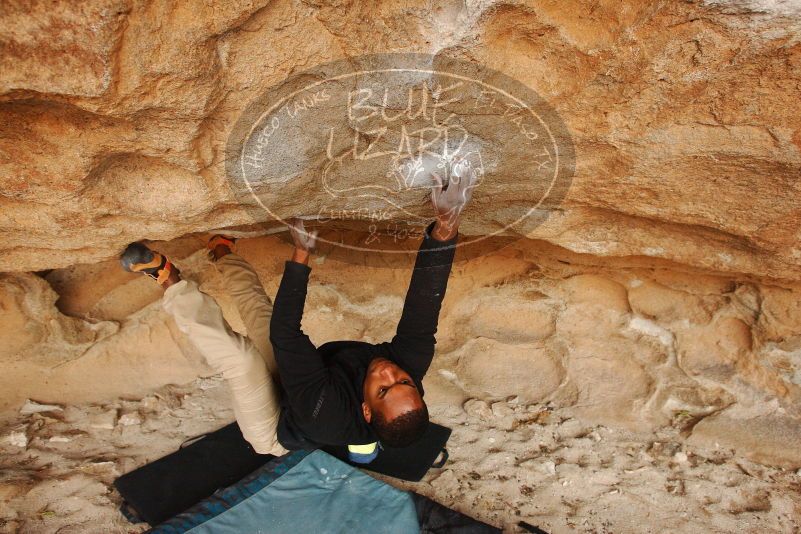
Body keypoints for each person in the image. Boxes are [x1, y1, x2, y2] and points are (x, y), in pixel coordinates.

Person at [119, 159, 477, 460]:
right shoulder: (407, 362)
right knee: (261, 313)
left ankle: (168, 279)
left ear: (366, 410)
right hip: (308, 378)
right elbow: (424, 301)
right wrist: (447, 227)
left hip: (276, 423)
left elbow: (287, 334)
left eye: (384, 389)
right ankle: (221, 251)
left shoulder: (329, 414)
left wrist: (301, 255)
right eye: (403, 381)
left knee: (240, 360)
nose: (389, 373)